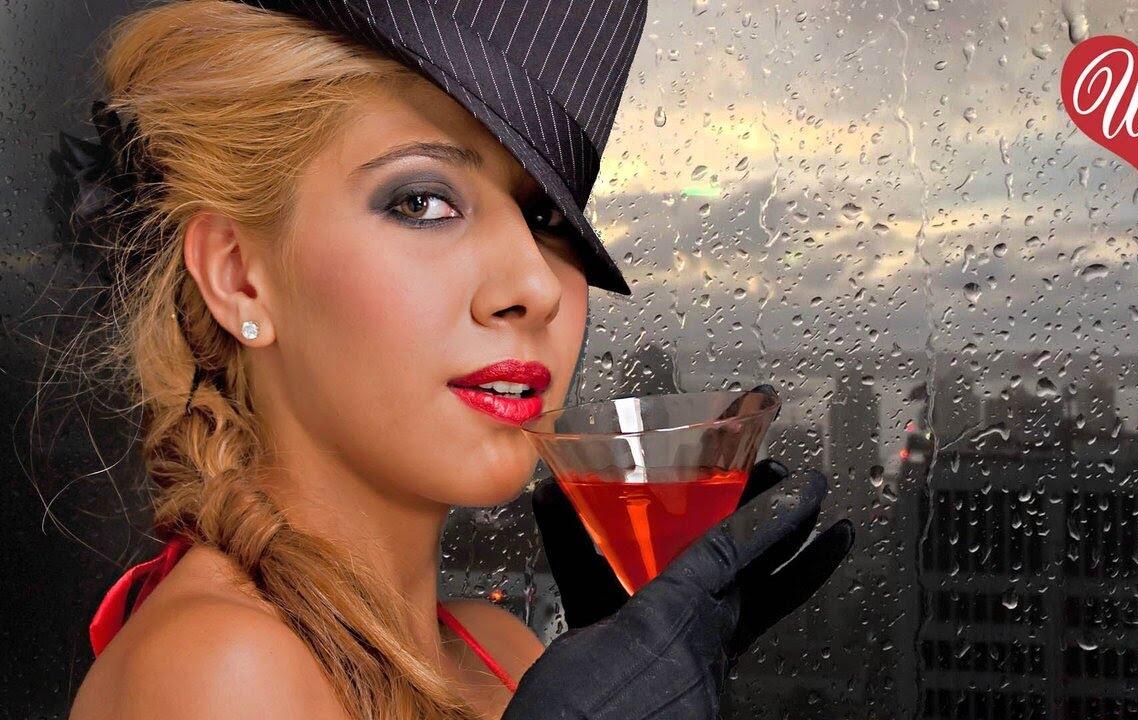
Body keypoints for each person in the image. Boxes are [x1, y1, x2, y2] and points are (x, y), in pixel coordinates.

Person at [54, 2, 853, 719]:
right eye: (422, 202)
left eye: (546, 218)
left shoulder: (498, 653)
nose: (535, 286)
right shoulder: (221, 672)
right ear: (239, 278)